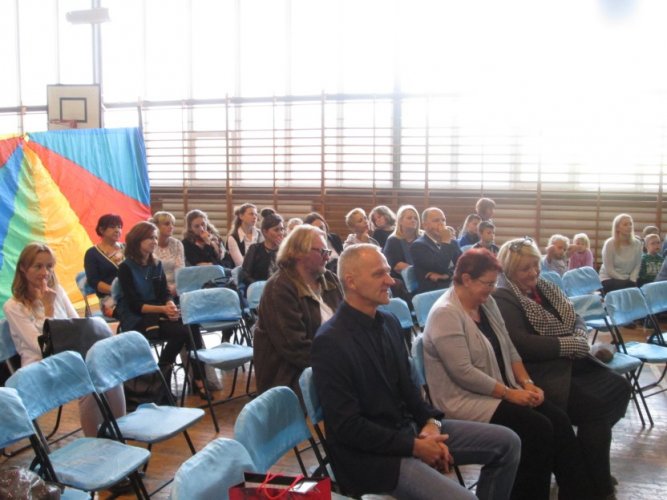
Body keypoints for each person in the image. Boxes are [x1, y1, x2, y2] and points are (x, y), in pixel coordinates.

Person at [311, 244, 520, 500]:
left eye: (388, 272)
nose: (391, 281)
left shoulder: (388, 322)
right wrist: (414, 447)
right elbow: (347, 427)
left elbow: (408, 389)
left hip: (408, 432)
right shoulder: (331, 341)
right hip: (371, 458)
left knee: (508, 443)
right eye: (379, 274)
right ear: (351, 282)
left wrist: (431, 423)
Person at [423, 249, 595, 500]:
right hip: (464, 400)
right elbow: (463, 373)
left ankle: (578, 493)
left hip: (499, 390)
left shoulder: (486, 302)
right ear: (467, 279)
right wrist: (510, 394)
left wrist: (527, 383)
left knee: (558, 420)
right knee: (536, 429)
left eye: (494, 283)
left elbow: (509, 348)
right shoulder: (445, 313)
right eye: (488, 283)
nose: (492, 289)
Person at [493, 237, 631, 498]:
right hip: (542, 372)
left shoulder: (544, 287)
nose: (533, 272)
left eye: (535, 265)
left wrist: (579, 336)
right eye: (525, 268)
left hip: (571, 362)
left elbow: (574, 315)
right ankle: (593, 481)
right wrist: (569, 344)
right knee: (595, 409)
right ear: (509, 270)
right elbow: (522, 344)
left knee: (619, 388)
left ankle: (585, 473)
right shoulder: (504, 296)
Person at [4, 243, 125, 437]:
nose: (45, 272)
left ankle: (120, 431)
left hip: (69, 356)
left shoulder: (57, 291)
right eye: (38, 266)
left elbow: (78, 326)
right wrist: (49, 309)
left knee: (109, 369)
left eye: (49, 266)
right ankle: (94, 440)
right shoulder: (13, 306)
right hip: (41, 366)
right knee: (90, 383)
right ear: (23, 268)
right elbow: (40, 347)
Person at [118, 221, 206, 398]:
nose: (155, 241)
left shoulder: (155, 264)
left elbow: (163, 292)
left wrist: (170, 304)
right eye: (150, 238)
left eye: (156, 238)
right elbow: (135, 305)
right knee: (183, 332)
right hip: (137, 317)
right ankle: (164, 374)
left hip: (157, 311)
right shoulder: (126, 268)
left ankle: (197, 378)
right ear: (137, 240)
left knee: (192, 325)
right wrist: (164, 309)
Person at [253, 224, 343, 396]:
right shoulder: (279, 288)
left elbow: (345, 324)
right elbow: (295, 348)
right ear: (299, 253)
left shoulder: (329, 279)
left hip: (325, 364)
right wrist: (338, 364)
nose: (327, 257)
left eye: (328, 252)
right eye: (322, 252)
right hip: (291, 376)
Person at [411, 207, 462, 293]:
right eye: (436, 220)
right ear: (425, 225)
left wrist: (448, 275)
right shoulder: (418, 246)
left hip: (454, 284)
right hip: (434, 290)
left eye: (443, 220)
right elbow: (440, 267)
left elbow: (463, 265)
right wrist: (445, 241)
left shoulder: (452, 242)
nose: (441, 223)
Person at [84, 213, 124, 317]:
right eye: (112, 227)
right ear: (101, 230)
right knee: (133, 309)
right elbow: (94, 281)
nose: (117, 230)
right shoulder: (92, 253)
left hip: (131, 294)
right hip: (109, 299)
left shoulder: (127, 248)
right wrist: (118, 291)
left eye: (119, 227)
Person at [598, 213, 642, 294]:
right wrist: (624, 280)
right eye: (625, 224)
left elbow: (637, 265)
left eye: (630, 224)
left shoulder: (637, 244)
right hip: (609, 278)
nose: (629, 226)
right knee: (623, 288)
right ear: (617, 228)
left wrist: (632, 280)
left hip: (629, 279)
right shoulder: (609, 244)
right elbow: (609, 269)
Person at [241, 211, 285, 286]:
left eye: (282, 229)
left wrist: (282, 248)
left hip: (280, 289)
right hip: (258, 288)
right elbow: (245, 274)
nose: (280, 233)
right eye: (276, 230)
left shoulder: (286, 251)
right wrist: (259, 286)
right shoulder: (255, 249)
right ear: (265, 232)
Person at [383, 204, 422, 280]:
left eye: (416, 218)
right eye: (409, 218)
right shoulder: (393, 240)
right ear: (400, 221)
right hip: (402, 280)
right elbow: (398, 267)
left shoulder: (423, 238)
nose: (413, 220)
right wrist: (423, 272)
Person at [151, 211, 185, 296]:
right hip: (155, 287)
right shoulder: (151, 244)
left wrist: (175, 286)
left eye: (172, 224)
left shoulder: (177, 244)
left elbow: (180, 269)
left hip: (175, 287)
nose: (171, 226)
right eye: (167, 224)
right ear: (156, 226)